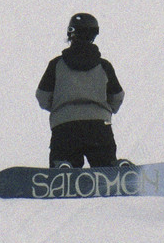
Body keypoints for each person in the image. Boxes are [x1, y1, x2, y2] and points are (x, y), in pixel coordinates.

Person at [36, 13, 125, 168]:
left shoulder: (56, 65)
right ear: (94, 35)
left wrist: (60, 108)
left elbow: (42, 97)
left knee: (63, 161)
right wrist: (103, 110)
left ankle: (63, 167)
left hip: (65, 127)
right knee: (105, 167)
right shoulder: (104, 66)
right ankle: (114, 169)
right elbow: (117, 96)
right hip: (98, 127)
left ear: (71, 33)